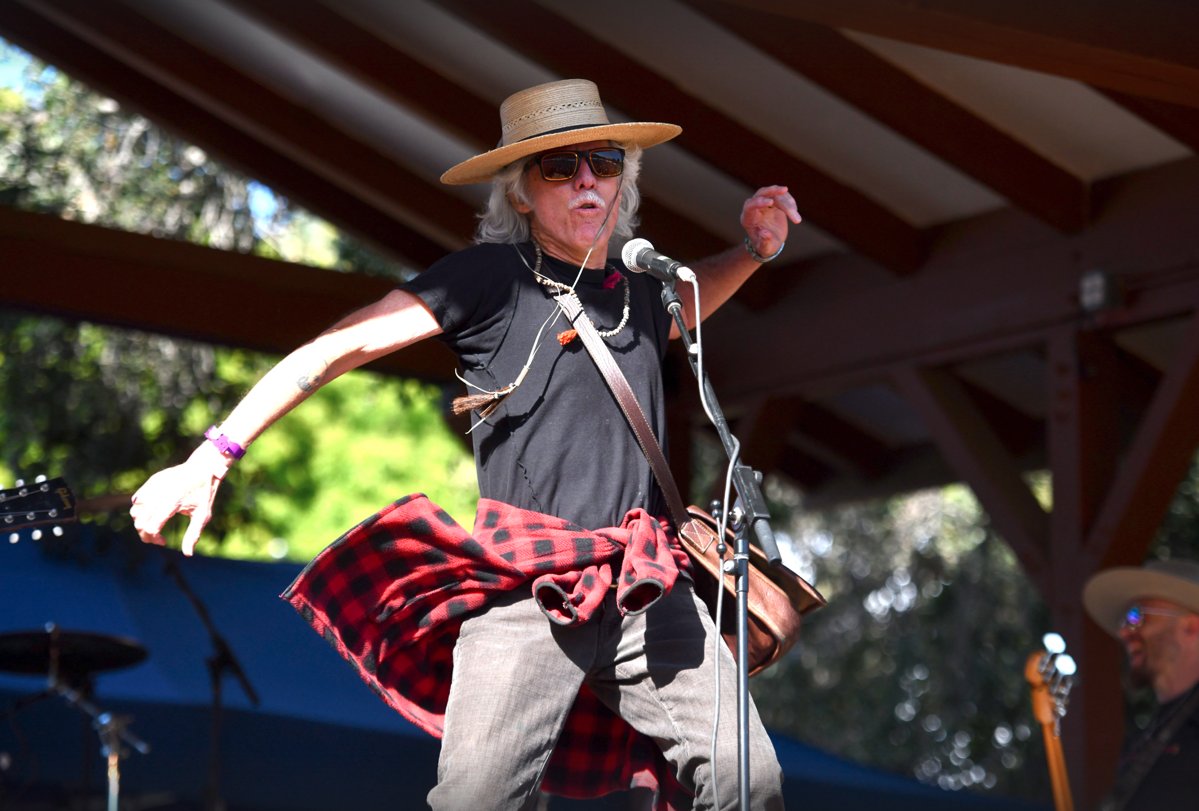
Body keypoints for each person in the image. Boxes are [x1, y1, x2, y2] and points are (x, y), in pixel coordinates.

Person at [130, 78, 800, 810]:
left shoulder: (643, 289)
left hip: (646, 583)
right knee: (475, 800)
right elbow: (331, 351)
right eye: (559, 166)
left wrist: (753, 250)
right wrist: (214, 455)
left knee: (748, 780)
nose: (585, 179)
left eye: (603, 162)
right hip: (529, 584)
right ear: (519, 193)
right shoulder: (488, 279)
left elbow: (688, 302)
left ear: (623, 181)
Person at [1082, 558, 1199, 810]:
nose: (1124, 631)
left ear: (1191, 626)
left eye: (1137, 616)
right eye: (1125, 619)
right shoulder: (1147, 736)